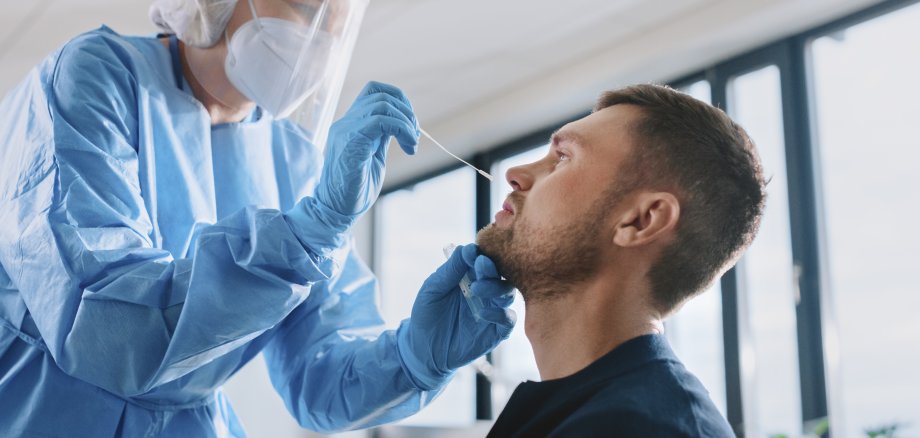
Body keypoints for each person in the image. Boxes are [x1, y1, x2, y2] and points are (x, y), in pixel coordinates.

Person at [0, 0, 515, 436]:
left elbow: (321, 380)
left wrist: (416, 358)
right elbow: (107, 329)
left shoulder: (293, 159)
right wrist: (305, 233)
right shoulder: (95, 77)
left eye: (335, 17)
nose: (321, 36)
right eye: (305, 5)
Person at [478, 84, 766, 437]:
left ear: (641, 221)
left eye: (564, 157)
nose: (515, 173)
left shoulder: (645, 428)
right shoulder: (588, 411)